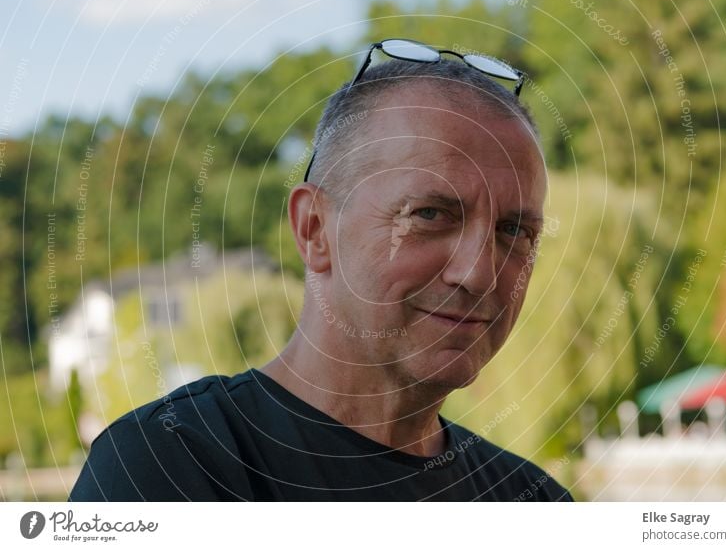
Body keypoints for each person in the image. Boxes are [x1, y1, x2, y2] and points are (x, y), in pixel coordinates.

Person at [69, 39, 573, 502]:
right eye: (429, 215)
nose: (479, 273)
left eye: (515, 231)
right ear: (314, 229)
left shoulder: (534, 501)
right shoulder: (171, 464)